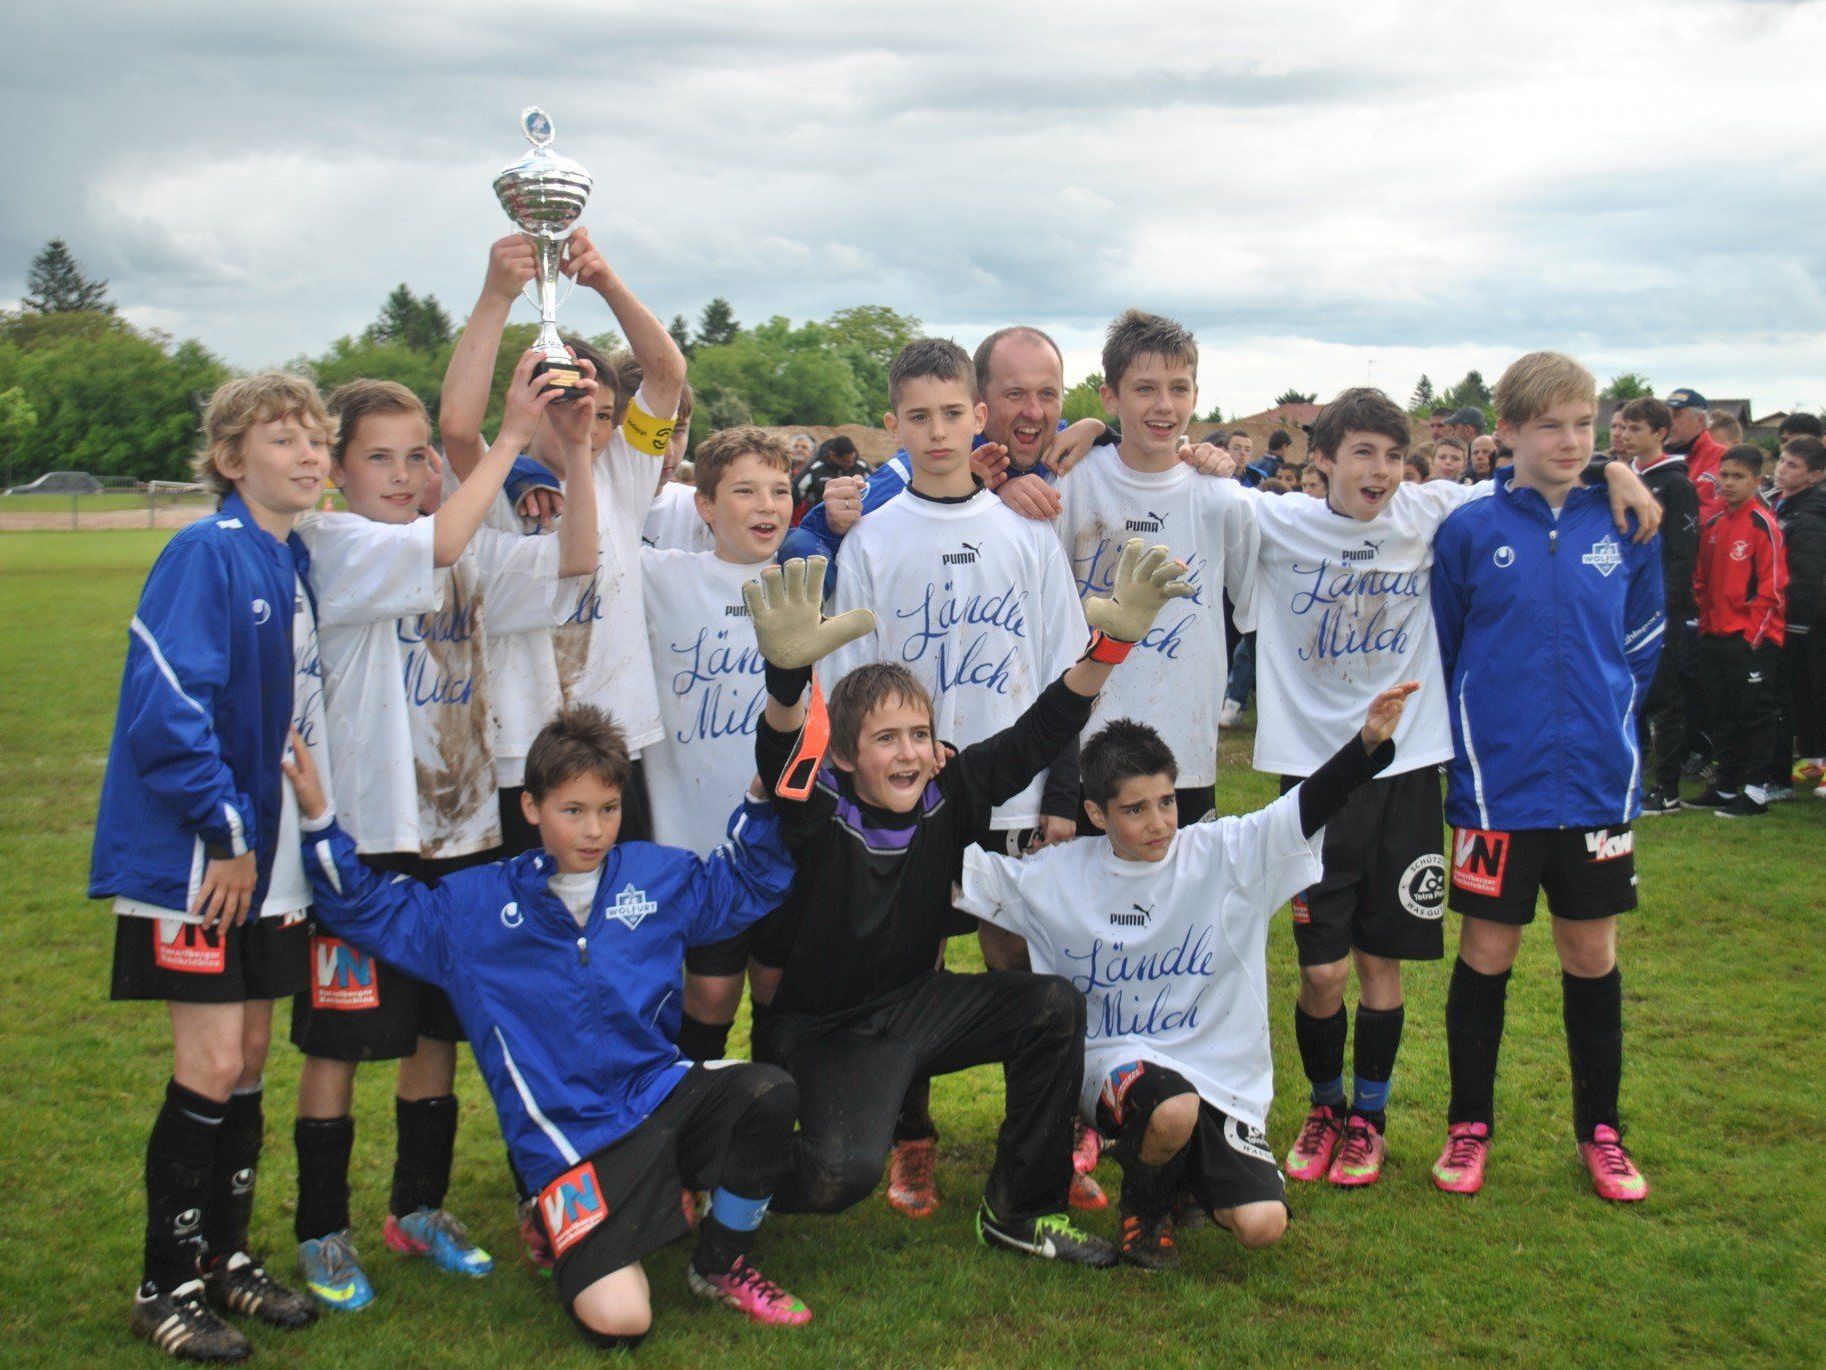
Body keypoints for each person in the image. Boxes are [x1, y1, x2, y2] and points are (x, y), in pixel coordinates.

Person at [285, 703, 811, 1346]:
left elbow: (747, 883)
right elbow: (365, 909)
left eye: (608, 808)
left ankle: (720, 1261)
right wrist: (318, 817)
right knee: (624, 1320)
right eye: (573, 810)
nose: (594, 830)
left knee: (767, 1092)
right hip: (570, 1148)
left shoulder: (654, 878)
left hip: (656, 1101)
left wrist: (762, 791)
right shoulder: (475, 909)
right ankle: (556, 1218)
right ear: (532, 808)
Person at [745, 540, 1194, 1266]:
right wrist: (787, 680)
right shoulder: (818, 810)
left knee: (1049, 1007)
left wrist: (1110, 648)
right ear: (845, 757)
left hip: (914, 1005)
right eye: (885, 739)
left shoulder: (948, 792)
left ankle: (1022, 1211)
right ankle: (722, 1172)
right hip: (828, 1031)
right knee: (839, 1176)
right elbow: (779, 757)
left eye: (919, 736)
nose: (909, 753)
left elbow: (1039, 731)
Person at [285, 361, 598, 1309]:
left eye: (418, 455)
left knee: (438, 1032)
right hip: (368, 840)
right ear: (337, 470)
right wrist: (511, 437)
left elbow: (575, 559)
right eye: (379, 457)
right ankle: (322, 1229)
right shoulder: (333, 543)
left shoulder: (460, 549)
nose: (404, 473)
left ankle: (416, 1208)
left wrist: (577, 452)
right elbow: (438, 542)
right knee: (340, 1041)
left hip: (460, 833)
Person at [958, 684, 1417, 1267]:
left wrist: (1367, 743)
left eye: (1167, 802)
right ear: (1096, 814)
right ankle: (1145, 1214)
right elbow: (963, 874)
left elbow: (1303, 808)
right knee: (1171, 1108)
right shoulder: (1058, 875)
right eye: (1135, 809)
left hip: (1217, 1075)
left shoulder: (1223, 855)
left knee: (1262, 1225)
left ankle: (1179, 1176)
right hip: (1114, 1065)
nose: (1158, 823)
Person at [92, 372, 333, 1360]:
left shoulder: (289, 557)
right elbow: (168, 711)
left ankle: (226, 1256)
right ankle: (165, 1282)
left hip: (267, 861)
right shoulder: (206, 551)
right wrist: (229, 835)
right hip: (202, 861)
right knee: (210, 1063)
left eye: (317, 438)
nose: (310, 454)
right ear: (231, 460)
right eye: (284, 439)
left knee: (250, 1061)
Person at [817, 338, 1089, 1212]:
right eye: (917, 416)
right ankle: (913, 1139)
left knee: (1020, 959)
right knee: (910, 967)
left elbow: (1065, 672)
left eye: (951, 413)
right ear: (892, 425)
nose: (937, 432)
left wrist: (1059, 791)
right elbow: (847, 685)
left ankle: (1041, 1142)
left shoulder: (1026, 534)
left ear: (979, 416)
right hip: (910, 797)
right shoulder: (872, 542)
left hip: (1011, 792)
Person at [1430, 351, 1663, 1203]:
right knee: (1486, 951)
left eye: (1584, 425)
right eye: (1550, 425)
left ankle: (1602, 1132)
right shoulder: (1469, 529)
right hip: (1498, 788)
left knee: (1591, 952)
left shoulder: (1627, 522)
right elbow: (1446, 648)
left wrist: (1605, 724)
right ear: (1509, 432)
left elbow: (1644, 645)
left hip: (1597, 784)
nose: (1571, 441)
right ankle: (1468, 1127)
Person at [439, 227, 685, 851]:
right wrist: (496, 296)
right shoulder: (495, 477)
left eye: (604, 414)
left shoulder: (623, 471)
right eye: (565, 404)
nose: (587, 424)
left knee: (622, 896)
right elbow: (458, 429)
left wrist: (604, 281)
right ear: (531, 404)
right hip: (526, 744)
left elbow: (666, 373)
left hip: (617, 735)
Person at [1054, 309, 1255, 835]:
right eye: (1145, 388)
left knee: (1181, 885)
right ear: (1110, 397)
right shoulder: (1073, 482)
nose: (1164, 405)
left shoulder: (1221, 498)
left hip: (1184, 746)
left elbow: (1250, 601)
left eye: (1178, 388)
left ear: (1195, 395)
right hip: (1086, 745)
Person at [639, 427, 795, 1065]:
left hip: (786, 839)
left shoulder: (810, 585)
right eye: (745, 491)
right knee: (708, 996)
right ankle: (697, 1117)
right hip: (700, 846)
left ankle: (776, 1114)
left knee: (780, 988)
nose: (767, 506)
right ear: (704, 505)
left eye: (780, 490)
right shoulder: (662, 576)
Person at [778, 325, 1106, 569]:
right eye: (1015, 394)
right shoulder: (923, 464)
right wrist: (963, 494)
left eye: (1047, 394)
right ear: (979, 405)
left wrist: (1102, 429)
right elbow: (804, 541)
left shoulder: (1066, 445)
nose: (1034, 412)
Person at [1611, 397, 1701, 814]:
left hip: (1663, 610)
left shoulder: (1677, 485)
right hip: (1625, 603)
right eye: (1623, 427)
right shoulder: (1623, 476)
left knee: (1667, 698)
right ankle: (1635, 776)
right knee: (1634, 695)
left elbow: (1682, 553)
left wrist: (1663, 606)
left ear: (1660, 434)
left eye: (1636, 429)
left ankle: (1667, 786)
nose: (1625, 436)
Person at [1689, 445, 1787, 817]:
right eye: (1725, 475)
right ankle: (1726, 785)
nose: (1728, 483)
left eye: (1738, 477)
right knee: (1721, 713)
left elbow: (1773, 589)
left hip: (1751, 638)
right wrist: (1705, 623)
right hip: (1714, 635)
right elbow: (1701, 581)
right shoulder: (1714, 525)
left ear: (1757, 481)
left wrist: (1752, 638)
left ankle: (1757, 790)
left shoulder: (1763, 524)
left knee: (1755, 714)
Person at [1770, 437, 1826, 793]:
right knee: (1801, 691)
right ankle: (1813, 759)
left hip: (1810, 620)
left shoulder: (1811, 514)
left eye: (1792, 465)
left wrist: (1798, 622)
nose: (1781, 469)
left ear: (1815, 475)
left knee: (1817, 689)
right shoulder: (1783, 505)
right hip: (1789, 615)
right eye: (1781, 460)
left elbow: (1808, 574)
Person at [1665, 387, 1727, 516]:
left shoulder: (1720, 457)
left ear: (1700, 419)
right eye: (1667, 416)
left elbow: (1705, 512)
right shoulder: (1658, 454)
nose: (1669, 422)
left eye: (1676, 415)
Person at [795, 434, 867, 510]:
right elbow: (797, 490)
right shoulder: (816, 468)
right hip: (823, 515)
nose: (850, 464)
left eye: (852, 460)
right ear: (832, 455)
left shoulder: (861, 465)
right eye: (845, 462)